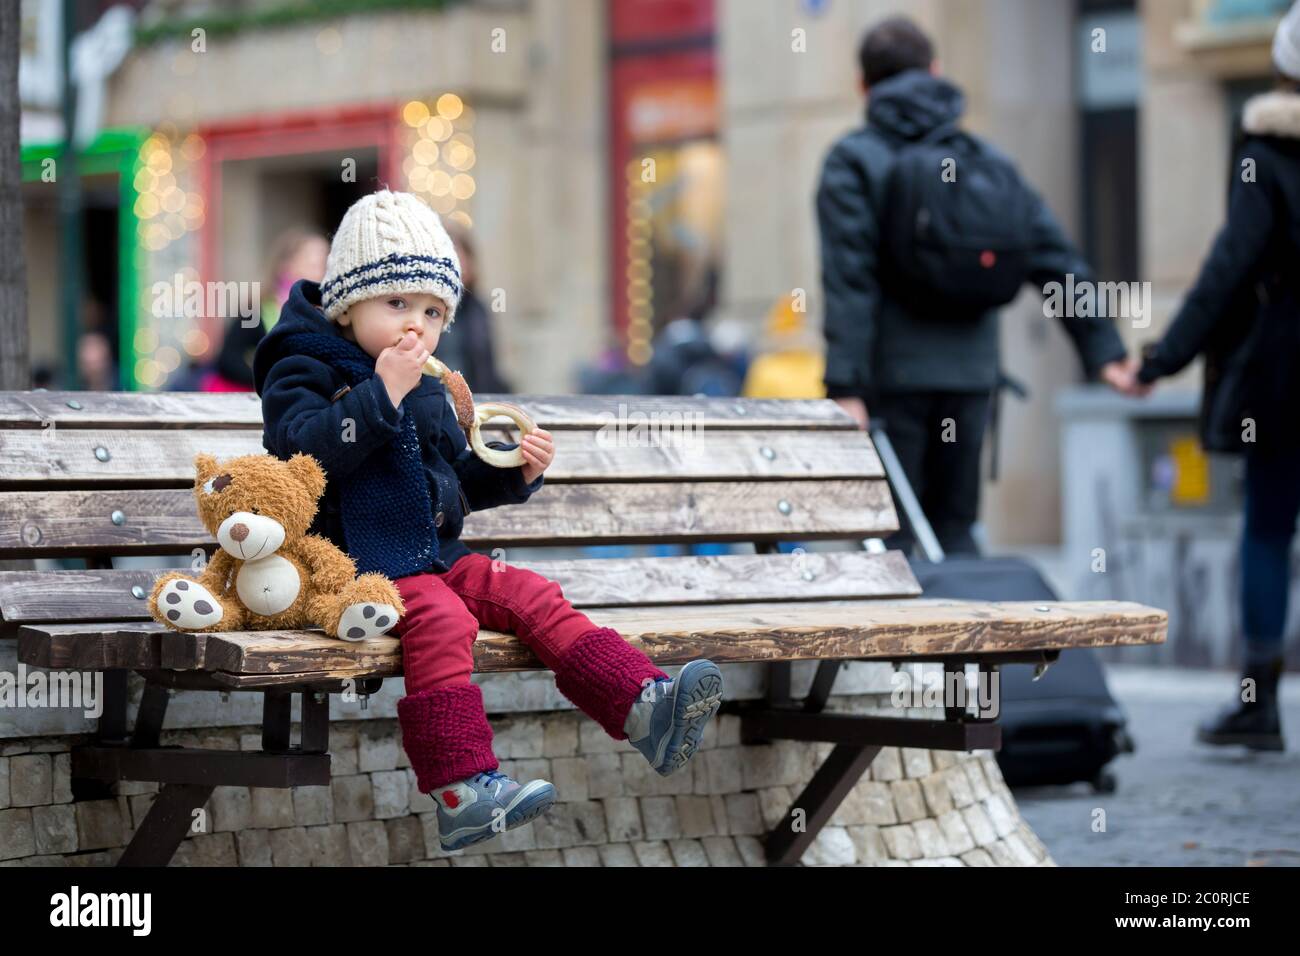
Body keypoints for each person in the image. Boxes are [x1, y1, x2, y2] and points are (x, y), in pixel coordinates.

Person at [253, 190, 723, 850]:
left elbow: (449, 486)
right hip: (353, 570)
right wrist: (378, 392)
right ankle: (462, 788)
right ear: (347, 302)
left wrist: (511, 473)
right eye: (397, 304)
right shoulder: (303, 360)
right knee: (444, 619)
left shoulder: (423, 381)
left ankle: (645, 706)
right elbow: (301, 454)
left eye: (434, 311)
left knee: (531, 593)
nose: (417, 325)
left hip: (431, 559)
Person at [817, 15, 1141, 555]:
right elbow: (1056, 259)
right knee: (957, 529)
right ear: (937, 70)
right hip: (971, 382)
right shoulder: (986, 161)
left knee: (892, 544)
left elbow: (849, 280)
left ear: (863, 86)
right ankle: (969, 634)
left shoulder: (853, 161)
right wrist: (1104, 350)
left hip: (891, 387)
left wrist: (845, 386)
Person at [1134, 4, 1300, 752]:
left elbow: (1226, 273)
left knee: (1267, 531)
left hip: (1288, 379)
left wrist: (1159, 359)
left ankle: (1257, 704)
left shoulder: (1266, 159)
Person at [202, 228, 329, 391]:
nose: (322, 269)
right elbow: (228, 360)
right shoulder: (257, 309)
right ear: (287, 265)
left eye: (325, 262)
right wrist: (270, 379)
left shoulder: (332, 311)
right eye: (314, 262)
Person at [432, 221, 511, 393]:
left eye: (459, 260)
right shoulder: (428, 310)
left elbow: (487, 367)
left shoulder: (478, 309)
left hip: (475, 400)